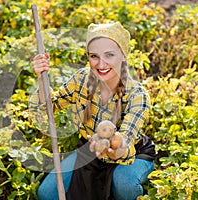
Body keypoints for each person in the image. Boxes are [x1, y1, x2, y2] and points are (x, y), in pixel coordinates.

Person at [30, 22, 157, 200]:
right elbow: (49, 107)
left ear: (123, 56)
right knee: (47, 193)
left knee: (124, 185)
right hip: (89, 151)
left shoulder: (137, 95)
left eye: (109, 55)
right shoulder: (82, 79)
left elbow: (125, 142)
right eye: (94, 56)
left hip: (131, 155)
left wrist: (114, 147)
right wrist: (41, 77)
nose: (101, 63)